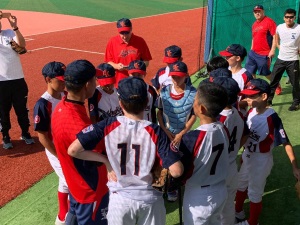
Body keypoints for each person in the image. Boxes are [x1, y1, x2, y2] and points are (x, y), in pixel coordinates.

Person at [68, 77, 184, 225]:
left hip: (120, 200)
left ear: (120, 103)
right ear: (146, 102)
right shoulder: (155, 131)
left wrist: (105, 161)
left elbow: (73, 150)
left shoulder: (107, 125)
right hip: (149, 199)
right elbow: (176, 171)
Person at [51, 59, 113, 225]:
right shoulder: (76, 122)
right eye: (95, 80)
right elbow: (100, 152)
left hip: (75, 183)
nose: (97, 83)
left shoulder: (61, 107)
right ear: (87, 84)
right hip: (90, 190)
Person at [234, 79, 300, 225]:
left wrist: (294, 166)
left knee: (254, 192)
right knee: (240, 184)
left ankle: (252, 222)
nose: (247, 99)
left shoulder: (271, 117)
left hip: (261, 160)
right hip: (248, 156)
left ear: (264, 97)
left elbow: (285, 141)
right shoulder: (251, 111)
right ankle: (238, 212)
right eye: (246, 96)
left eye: (252, 96)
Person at [179, 82, 230, 225]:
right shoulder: (223, 128)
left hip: (199, 197)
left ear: (201, 108)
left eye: (195, 99)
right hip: (220, 191)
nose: (193, 102)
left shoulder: (192, 137)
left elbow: (181, 171)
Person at [33, 61, 69, 225]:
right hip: (56, 150)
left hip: (68, 146)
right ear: (48, 79)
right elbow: (43, 137)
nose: (64, 83)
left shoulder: (65, 95)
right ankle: (65, 218)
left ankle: (62, 217)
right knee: (71, 180)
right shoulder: (42, 104)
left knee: (65, 182)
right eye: (60, 80)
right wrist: (59, 155)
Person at [157, 61, 196, 201]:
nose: (176, 79)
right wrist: (165, 130)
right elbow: (159, 113)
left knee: (182, 160)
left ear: (186, 76)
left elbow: (193, 115)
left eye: (179, 76)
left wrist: (181, 134)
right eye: (173, 76)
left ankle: (175, 186)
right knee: (165, 161)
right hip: (166, 133)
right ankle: (167, 187)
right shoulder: (164, 92)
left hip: (182, 134)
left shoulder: (193, 93)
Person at [212, 77, 248, 225]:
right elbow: (246, 135)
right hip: (232, 166)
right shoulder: (238, 113)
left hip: (219, 169)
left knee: (215, 208)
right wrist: (235, 149)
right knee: (228, 207)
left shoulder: (218, 119)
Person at [0, 11, 34, 149]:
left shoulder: (8, 33)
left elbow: (22, 45)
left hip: (18, 80)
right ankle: (6, 136)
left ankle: (25, 133)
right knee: (3, 112)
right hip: (1, 84)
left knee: (22, 110)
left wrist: (14, 26)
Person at [267, 8, 300, 111]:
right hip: (280, 59)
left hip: (293, 60)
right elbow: (276, 40)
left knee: (295, 83)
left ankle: (296, 103)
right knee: (273, 81)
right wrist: (278, 47)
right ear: (284, 18)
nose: (289, 19)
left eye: (291, 17)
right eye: (287, 17)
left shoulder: (299, 28)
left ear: (294, 18)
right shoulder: (279, 27)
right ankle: (268, 100)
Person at [104, 18, 152, 86]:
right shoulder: (112, 42)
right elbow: (108, 61)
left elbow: (146, 61)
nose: (124, 36)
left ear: (131, 29)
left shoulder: (140, 41)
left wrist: (136, 67)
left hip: (136, 81)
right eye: (122, 33)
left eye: (127, 33)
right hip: (119, 82)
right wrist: (117, 66)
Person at [245, 6, 277, 83]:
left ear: (263, 11)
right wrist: (251, 50)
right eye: (255, 12)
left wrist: (272, 50)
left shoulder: (269, 21)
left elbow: (275, 36)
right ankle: (253, 86)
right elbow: (254, 38)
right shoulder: (254, 25)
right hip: (253, 52)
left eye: (259, 11)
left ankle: (276, 84)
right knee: (250, 72)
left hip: (265, 53)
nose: (257, 13)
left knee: (265, 73)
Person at [219, 44, 252, 114]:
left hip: (238, 115)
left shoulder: (246, 76)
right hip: (220, 112)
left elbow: (250, 99)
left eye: (228, 56)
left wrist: (229, 105)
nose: (225, 58)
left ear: (238, 58)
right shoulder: (222, 70)